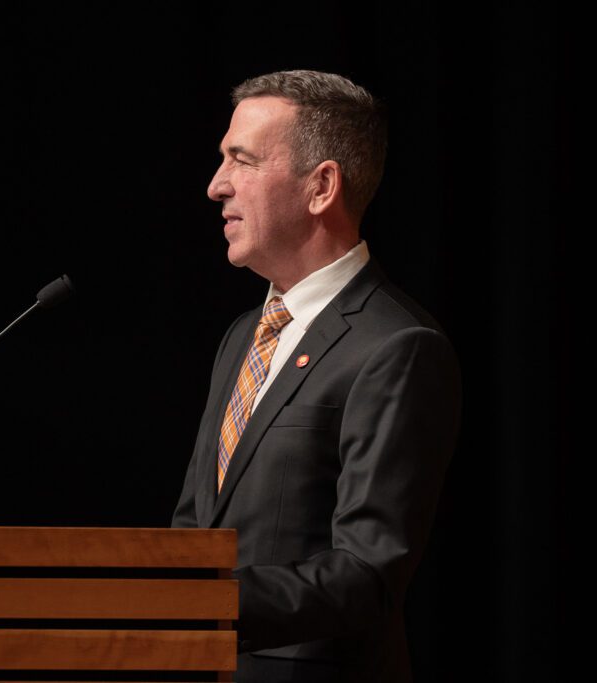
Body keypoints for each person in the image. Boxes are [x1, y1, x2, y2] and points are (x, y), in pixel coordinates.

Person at [171, 70, 462, 683]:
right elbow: (197, 527)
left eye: (240, 160)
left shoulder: (396, 346)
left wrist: (202, 604)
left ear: (321, 185)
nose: (215, 185)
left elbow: (366, 573)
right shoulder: (243, 334)